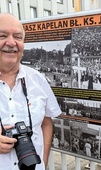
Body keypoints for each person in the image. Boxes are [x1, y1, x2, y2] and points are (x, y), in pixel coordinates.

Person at [0, 13, 61, 170]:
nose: (11, 42)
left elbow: (46, 122)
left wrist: (44, 160)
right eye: (2, 35)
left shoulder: (38, 80)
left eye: (18, 37)